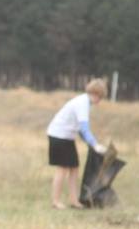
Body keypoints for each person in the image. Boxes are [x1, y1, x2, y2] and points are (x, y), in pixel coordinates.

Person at [46, 78, 108, 209]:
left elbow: (80, 129)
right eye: (100, 98)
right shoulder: (82, 103)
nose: (99, 101)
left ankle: (74, 200)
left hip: (67, 137)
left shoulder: (85, 102)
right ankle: (55, 202)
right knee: (62, 169)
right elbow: (84, 128)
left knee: (74, 168)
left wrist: (91, 144)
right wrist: (95, 144)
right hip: (58, 135)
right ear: (96, 94)